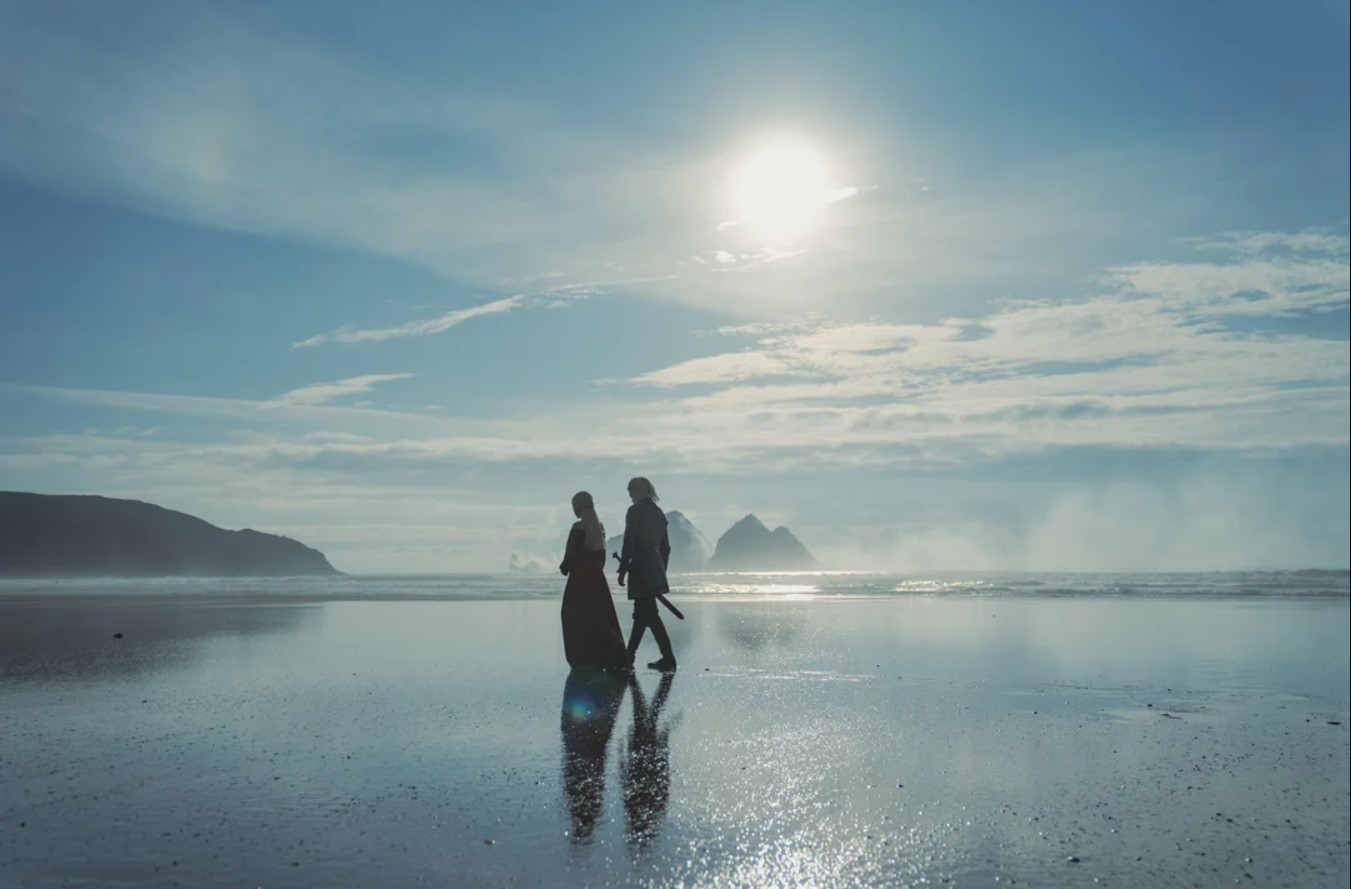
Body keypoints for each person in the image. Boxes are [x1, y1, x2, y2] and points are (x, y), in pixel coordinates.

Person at [559, 491, 628, 671]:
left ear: (577, 507)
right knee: (600, 618)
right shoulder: (600, 528)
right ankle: (609, 657)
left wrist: (564, 568)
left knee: (574, 616)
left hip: (579, 580)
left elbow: (570, 556)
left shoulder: (578, 527)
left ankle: (582, 659)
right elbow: (601, 560)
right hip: (597, 580)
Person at [617, 476, 677, 672]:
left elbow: (629, 542)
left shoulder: (635, 512)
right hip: (655, 567)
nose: (630, 498)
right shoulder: (660, 514)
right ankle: (633, 656)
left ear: (639, 491)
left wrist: (623, 569)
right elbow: (666, 548)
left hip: (641, 567)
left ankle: (631, 658)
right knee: (645, 614)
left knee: (646, 614)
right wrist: (661, 572)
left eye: (631, 493)